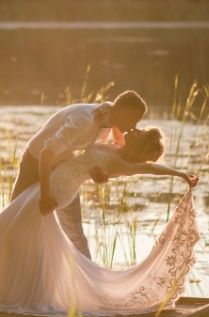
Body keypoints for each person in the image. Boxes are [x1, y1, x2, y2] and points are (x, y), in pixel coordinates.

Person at [0, 128, 200, 315]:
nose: (134, 129)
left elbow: (151, 168)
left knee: (9, 225)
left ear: (139, 146)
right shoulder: (117, 145)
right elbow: (112, 125)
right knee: (14, 228)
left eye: (139, 132)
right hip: (50, 183)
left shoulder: (123, 164)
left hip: (60, 190)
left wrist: (181, 175)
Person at [11, 91, 148, 260]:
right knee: (12, 219)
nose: (134, 126)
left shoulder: (108, 122)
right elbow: (46, 154)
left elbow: (90, 155)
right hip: (35, 161)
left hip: (63, 168)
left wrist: (95, 172)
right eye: (133, 120)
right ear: (122, 111)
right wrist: (45, 196)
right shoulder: (84, 120)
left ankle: (92, 282)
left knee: (74, 232)